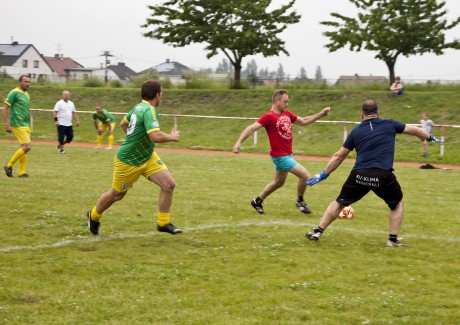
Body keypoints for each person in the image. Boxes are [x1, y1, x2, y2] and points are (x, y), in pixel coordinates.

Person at [305, 100, 443, 247]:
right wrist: (430, 137)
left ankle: (318, 231)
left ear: (361, 115)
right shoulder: (390, 124)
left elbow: (339, 156)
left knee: (339, 202)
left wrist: (323, 174)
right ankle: (392, 240)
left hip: (359, 175)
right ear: (378, 114)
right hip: (383, 175)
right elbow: (416, 130)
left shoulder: (356, 131)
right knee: (397, 204)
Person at [87, 80, 182, 235]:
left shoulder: (138, 107)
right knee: (117, 195)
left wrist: (135, 140)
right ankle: (94, 215)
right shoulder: (148, 110)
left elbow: (124, 124)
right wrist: (172, 137)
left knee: (169, 184)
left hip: (147, 156)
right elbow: (155, 136)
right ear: (157, 95)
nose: (161, 97)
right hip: (129, 161)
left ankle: (163, 223)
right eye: (161, 94)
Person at [233, 89, 331, 215]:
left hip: (287, 154)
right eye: (285, 101)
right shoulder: (269, 116)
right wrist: (238, 142)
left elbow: (304, 121)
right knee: (305, 175)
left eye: (288, 101)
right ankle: (300, 201)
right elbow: (251, 128)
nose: (287, 104)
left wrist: (321, 114)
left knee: (278, 182)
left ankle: (257, 201)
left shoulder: (287, 114)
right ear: (277, 101)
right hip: (280, 156)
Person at [2, 75, 32, 178]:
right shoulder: (14, 92)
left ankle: (21, 172)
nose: (27, 83)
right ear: (20, 82)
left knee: (23, 147)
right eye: (25, 81)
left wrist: (29, 125)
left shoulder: (27, 94)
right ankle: (8, 165)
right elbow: (5, 108)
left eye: (28, 82)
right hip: (18, 124)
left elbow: (25, 110)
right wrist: (7, 124)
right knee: (27, 147)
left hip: (26, 124)